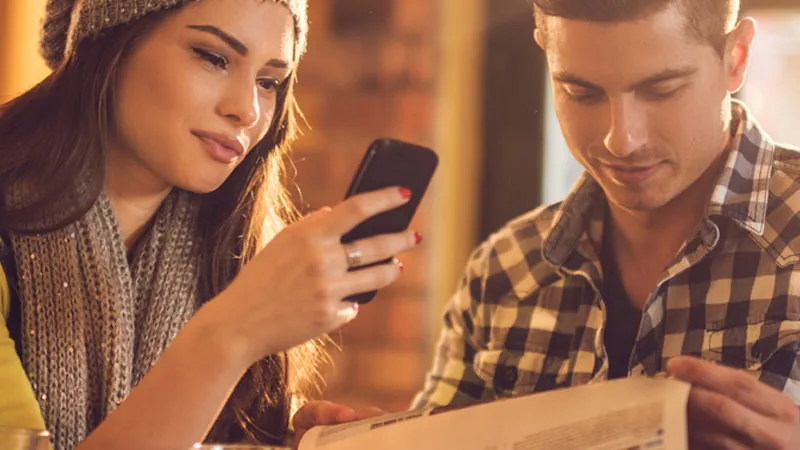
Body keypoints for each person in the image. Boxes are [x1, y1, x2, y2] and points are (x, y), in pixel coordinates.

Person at [295, 0, 800, 448]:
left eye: (661, 90)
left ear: (736, 58)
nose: (620, 140)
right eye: (581, 93)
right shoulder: (503, 273)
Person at [0, 0, 422, 449]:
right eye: (213, 57)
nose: (248, 110)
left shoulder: (226, 257)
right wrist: (232, 332)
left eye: (269, 82)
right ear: (110, 42)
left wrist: (277, 438)